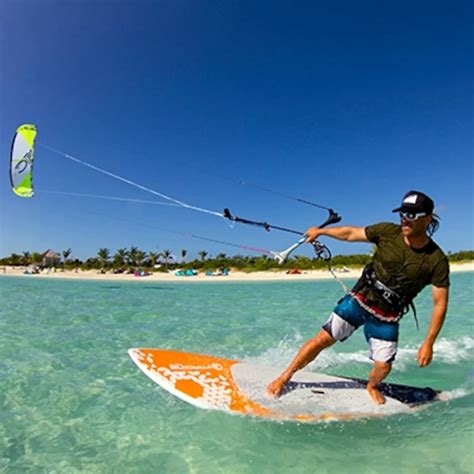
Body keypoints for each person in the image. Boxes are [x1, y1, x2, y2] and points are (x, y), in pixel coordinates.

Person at [267, 191, 450, 404]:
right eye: (402, 214)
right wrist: (321, 232)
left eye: (412, 215)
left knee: (383, 366)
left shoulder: (436, 260)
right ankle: (285, 376)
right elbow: (350, 233)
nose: (404, 219)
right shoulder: (388, 232)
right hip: (359, 300)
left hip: (387, 316)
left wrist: (429, 342)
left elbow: (440, 304)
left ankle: (372, 386)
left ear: (428, 218)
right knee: (322, 340)